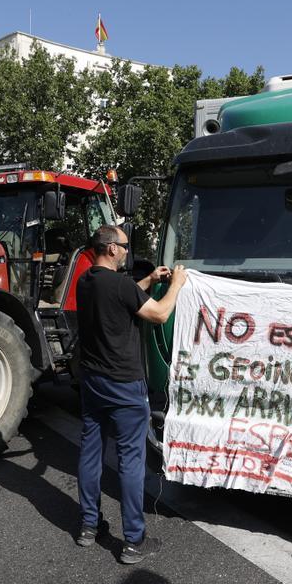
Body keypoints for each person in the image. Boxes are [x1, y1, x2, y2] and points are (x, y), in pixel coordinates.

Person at [76, 224, 187, 564]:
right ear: (110, 248)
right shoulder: (121, 284)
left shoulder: (86, 282)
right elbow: (159, 313)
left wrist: (150, 280)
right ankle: (134, 540)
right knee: (130, 462)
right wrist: (176, 285)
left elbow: (122, 298)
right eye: (124, 246)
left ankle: (88, 527)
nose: (127, 251)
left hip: (93, 382)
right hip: (125, 385)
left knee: (91, 453)